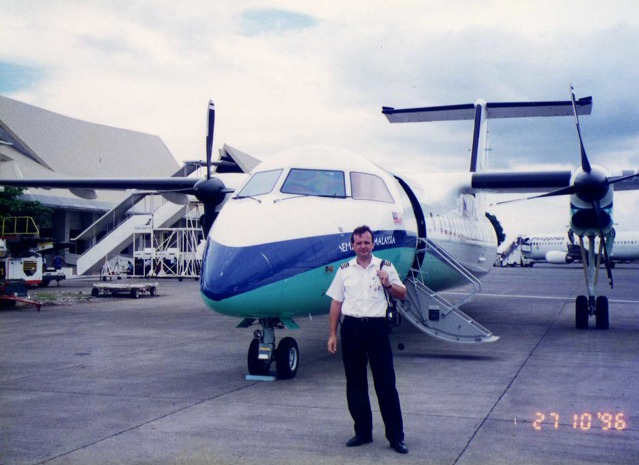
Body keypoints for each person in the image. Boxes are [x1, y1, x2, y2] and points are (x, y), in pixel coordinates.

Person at [326, 225, 408, 454]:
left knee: (385, 384)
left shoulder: (385, 267)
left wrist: (388, 284)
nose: (363, 246)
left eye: (366, 242)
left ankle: (395, 437)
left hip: (376, 330)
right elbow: (336, 303)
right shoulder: (344, 270)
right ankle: (363, 432)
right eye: (358, 243)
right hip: (351, 328)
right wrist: (332, 333)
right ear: (353, 246)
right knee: (355, 383)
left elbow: (403, 294)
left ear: (373, 244)